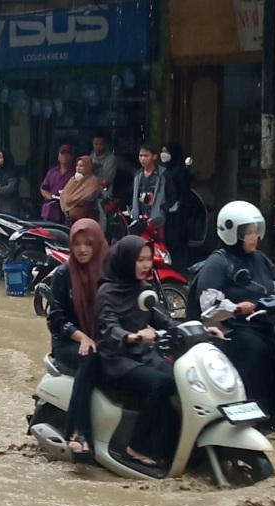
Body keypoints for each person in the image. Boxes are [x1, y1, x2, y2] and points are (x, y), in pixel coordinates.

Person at [192, 201, 275, 419]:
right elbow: (208, 306)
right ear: (231, 232)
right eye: (248, 232)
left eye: (256, 231)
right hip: (230, 328)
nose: (254, 236)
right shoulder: (217, 263)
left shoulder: (258, 258)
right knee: (258, 350)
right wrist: (236, 308)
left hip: (262, 322)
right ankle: (255, 412)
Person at [95, 235, 178, 467]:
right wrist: (135, 336)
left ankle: (172, 446)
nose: (146, 265)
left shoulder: (144, 289)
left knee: (180, 379)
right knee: (160, 384)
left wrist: (200, 328)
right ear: (125, 260)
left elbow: (164, 319)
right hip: (116, 360)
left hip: (142, 356)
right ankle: (136, 446)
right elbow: (109, 329)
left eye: (148, 259)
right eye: (139, 259)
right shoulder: (107, 293)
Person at [47, 218, 108, 459]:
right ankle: (78, 431)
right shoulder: (63, 274)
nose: (82, 249)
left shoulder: (109, 273)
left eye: (88, 244)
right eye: (77, 244)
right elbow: (56, 319)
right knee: (90, 358)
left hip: (105, 340)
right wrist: (82, 337)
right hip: (69, 343)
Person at [129, 143, 176, 231]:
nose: (142, 158)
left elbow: (172, 195)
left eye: (146, 156)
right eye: (141, 156)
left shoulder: (164, 174)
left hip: (158, 221)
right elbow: (134, 195)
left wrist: (162, 209)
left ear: (154, 157)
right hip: (140, 219)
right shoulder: (137, 175)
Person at [161, 141, 193, 269]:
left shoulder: (180, 171)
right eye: (163, 151)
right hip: (167, 211)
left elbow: (184, 191)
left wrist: (178, 204)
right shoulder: (165, 169)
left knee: (177, 241)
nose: (163, 154)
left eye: (166, 152)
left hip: (178, 213)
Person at [59, 155, 102, 223]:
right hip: (70, 220)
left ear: (88, 167)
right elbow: (65, 194)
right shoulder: (73, 180)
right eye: (77, 165)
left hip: (86, 220)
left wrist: (75, 201)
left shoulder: (93, 181)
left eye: (81, 166)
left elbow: (90, 198)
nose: (78, 168)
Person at [40, 144, 76, 223]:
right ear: (58, 156)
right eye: (62, 154)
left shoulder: (75, 173)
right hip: (49, 210)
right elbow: (43, 189)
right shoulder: (52, 172)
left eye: (67, 154)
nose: (65, 156)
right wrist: (50, 198)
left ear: (72, 157)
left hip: (66, 211)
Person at [90, 132, 118, 196]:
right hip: (90, 194)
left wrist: (92, 170)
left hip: (105, 194)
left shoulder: (112, 159)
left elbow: (108, 180)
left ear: (105, 144)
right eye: (95, 144)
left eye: (101, 144)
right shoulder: (90, 157)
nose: (98, 147)